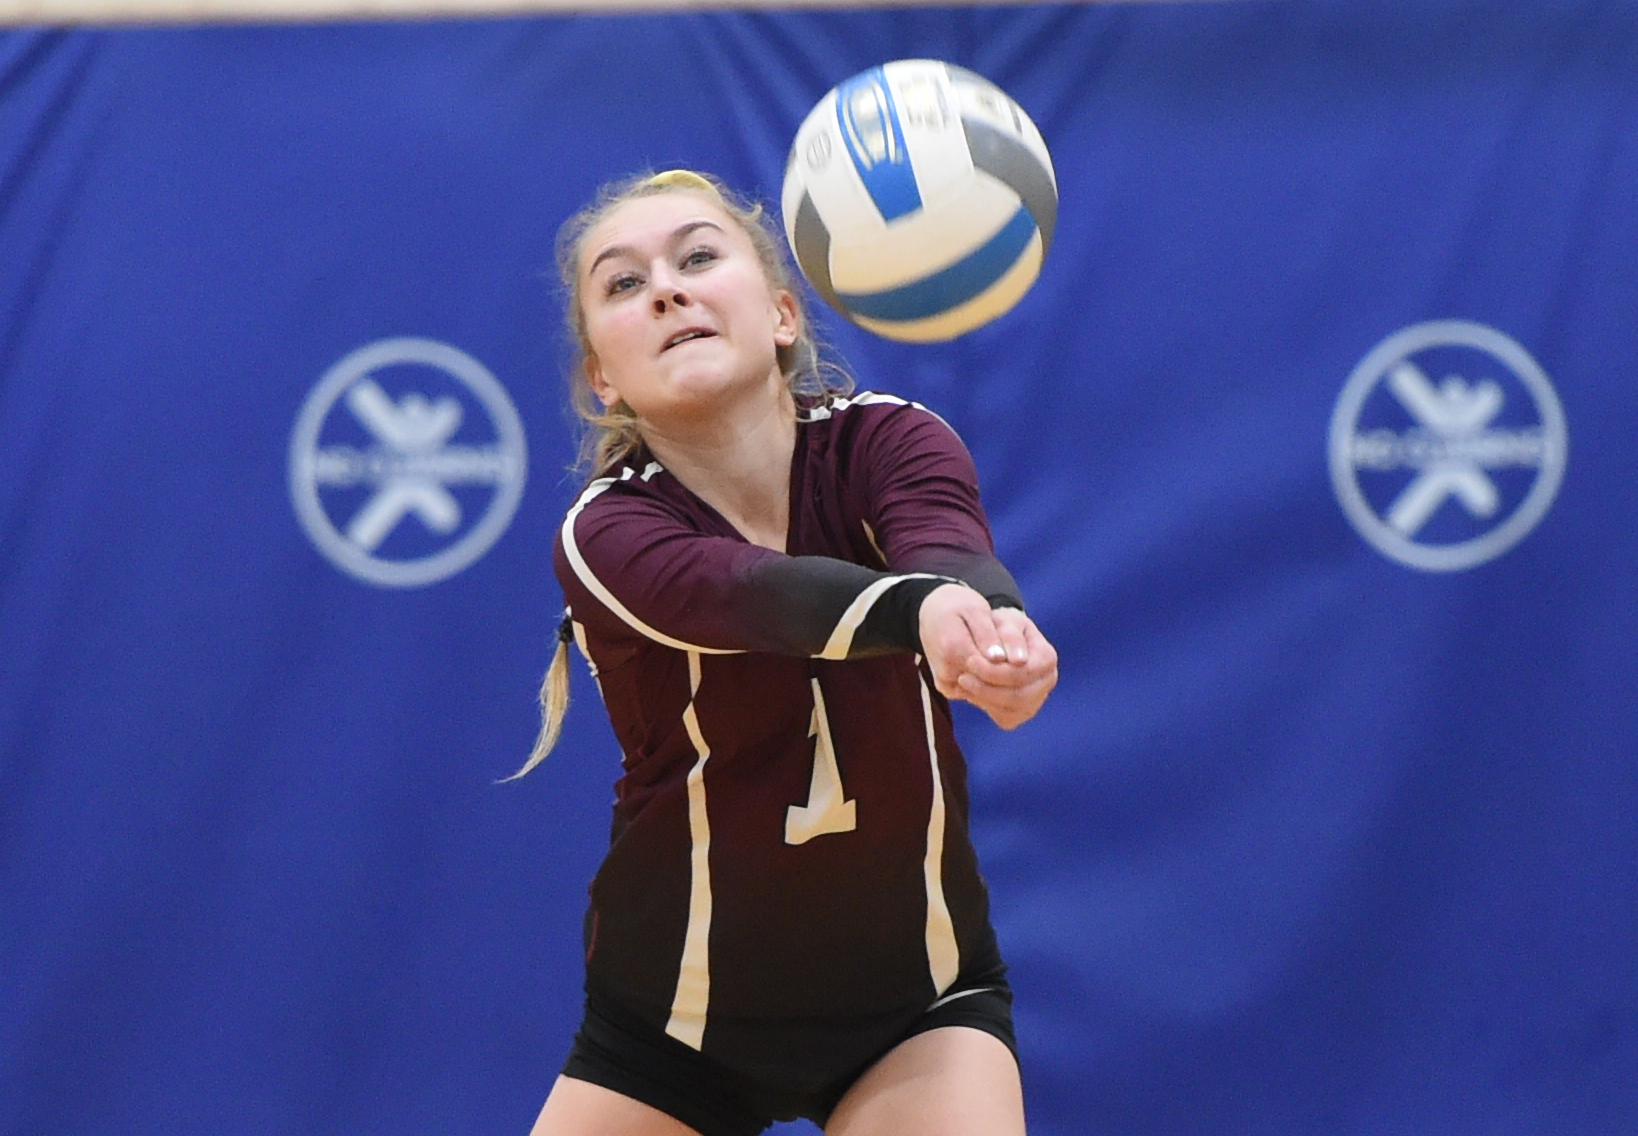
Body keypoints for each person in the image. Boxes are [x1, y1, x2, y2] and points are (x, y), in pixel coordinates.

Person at [521, 169, 1058, 1136]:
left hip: (918, 1000)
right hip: (670, 1028)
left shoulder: (890, 439)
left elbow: (951, 551)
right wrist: (926, 615)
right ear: (602, 376)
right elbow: (753, 597)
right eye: (623, 284)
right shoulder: (605, 531)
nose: (667, 290)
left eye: (696, 257)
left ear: (779, 312)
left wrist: (993, 634)